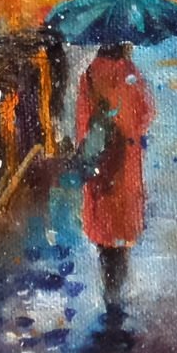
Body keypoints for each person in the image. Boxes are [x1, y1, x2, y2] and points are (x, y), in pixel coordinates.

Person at [74, 41, 154, 317]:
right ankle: (117, 293)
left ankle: (110, 293)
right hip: (125, 167)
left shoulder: (90, 74)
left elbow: (83, 123)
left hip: (101, 168)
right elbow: (145, 114)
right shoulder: (130, 72)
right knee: (121, 235)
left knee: (105, 237)